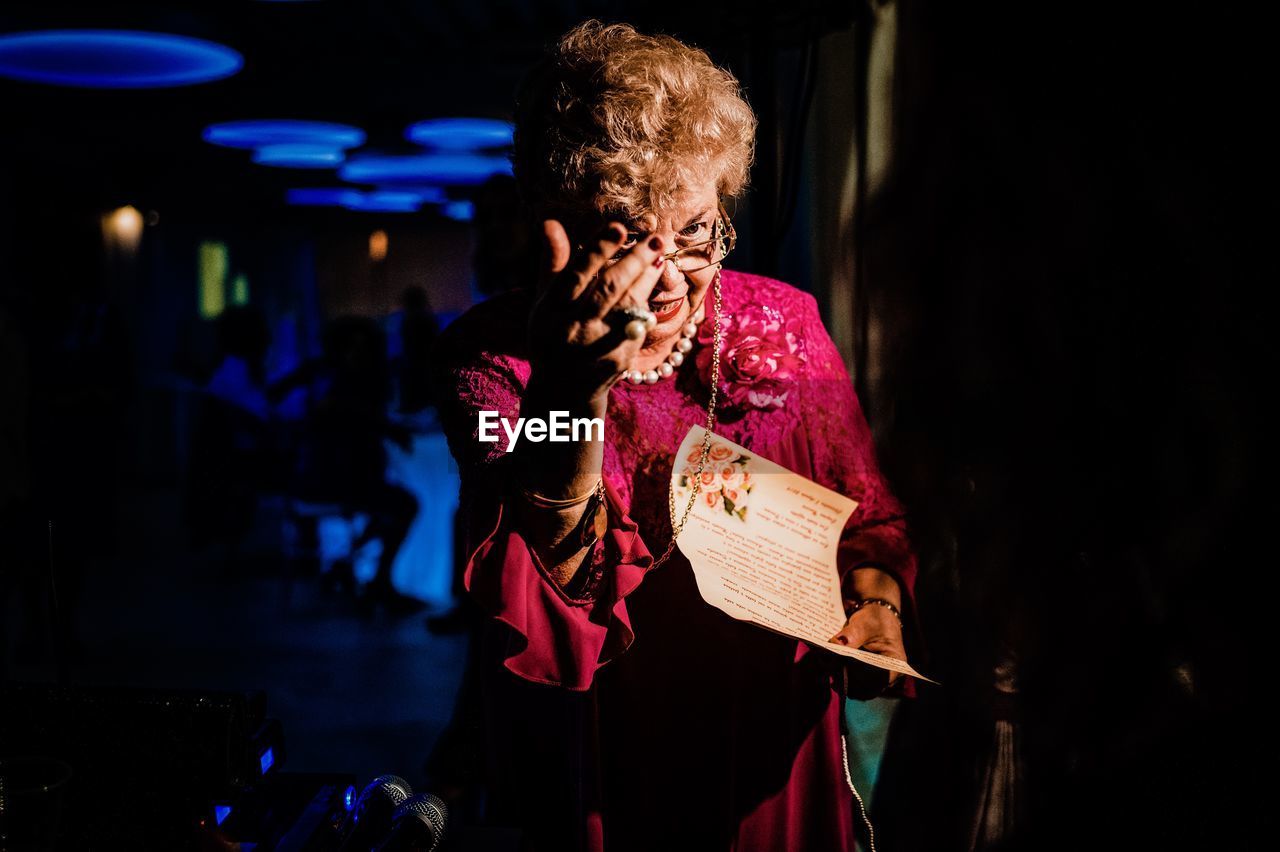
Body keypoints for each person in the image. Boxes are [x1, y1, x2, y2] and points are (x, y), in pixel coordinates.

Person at [432, 21, 918, 851]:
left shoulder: (784, 321)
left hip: (772, 732)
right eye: (621, 235)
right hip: (601, 742)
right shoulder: (491, 358)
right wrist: (572, 389)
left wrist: (876, 601)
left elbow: (868, 514)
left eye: (694, 231)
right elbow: (549, 577)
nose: (667, 277)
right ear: (553, 219)